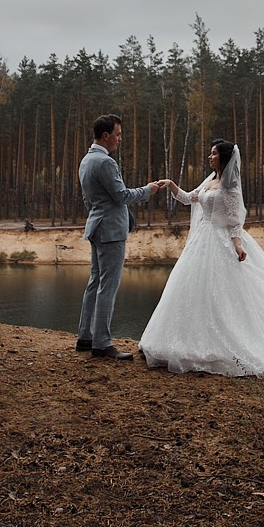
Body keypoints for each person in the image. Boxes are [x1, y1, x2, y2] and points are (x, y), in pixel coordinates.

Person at [138, 138, 264, 378]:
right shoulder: (209, 181)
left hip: (220, 240)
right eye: (210, 153)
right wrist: (171, 184)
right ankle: (185, 342)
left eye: (213, 153)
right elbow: (189, 198)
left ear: (223, 157)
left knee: (225, 294)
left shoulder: (230, 186)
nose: (210, 157)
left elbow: (235, 219)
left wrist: (237, 244)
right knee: (192, 290)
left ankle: (222, 345)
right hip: (201, 242)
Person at [76, 112, 164, 360]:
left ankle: (85, 337)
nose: (120, 139)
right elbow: (122, 196)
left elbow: (88, 199)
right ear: (106, 136)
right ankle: (102, 343)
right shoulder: (106, 162)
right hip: (111, 231)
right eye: (118, 134)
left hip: (96, 226)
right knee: (108, 286)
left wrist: (98, 214)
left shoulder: (86, 160)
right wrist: (148, 190)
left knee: (95, 282)